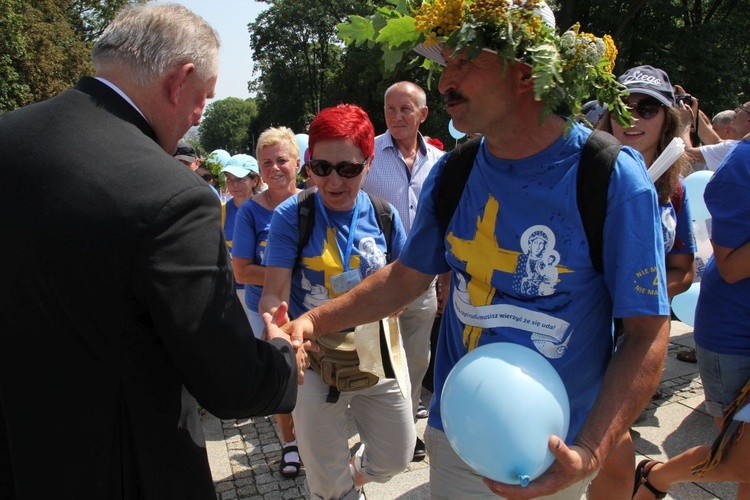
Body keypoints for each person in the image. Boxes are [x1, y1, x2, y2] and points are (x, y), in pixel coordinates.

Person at [275, 2, 671, 498]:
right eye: (445, 66)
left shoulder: (610, 178)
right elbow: (403, 280)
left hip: (555, 447)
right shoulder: (454, 172)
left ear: (526, 74)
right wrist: (313, 321)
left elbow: (646, 332)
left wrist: (591, 450)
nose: (443, 84)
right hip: (456, 435)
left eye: (463, 63)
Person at [0, 4, 297, 499]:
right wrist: (284, 357)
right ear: (179, 81)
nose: (199, 115)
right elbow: (229, 383)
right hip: (122, 469)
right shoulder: (172, 195)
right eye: (203, 98)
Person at [259, 104, 413, 499]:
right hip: (312, 357)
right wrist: (279, 332)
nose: (333, 181)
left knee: (397, 456)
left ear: (368, 162)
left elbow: (404, 283)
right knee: (327, 485)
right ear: (307, 164)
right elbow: (273, 293)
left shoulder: (384, 215)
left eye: (348, 169)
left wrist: (395, 305)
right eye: (320, 167)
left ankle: (351, 476)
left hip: (374, 350)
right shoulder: (293, 217)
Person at [591, 64, 697, 500]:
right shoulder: (583, 177)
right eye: (622, 105)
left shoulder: (674, 190)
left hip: (636, 336)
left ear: (667, 118)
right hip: (582, 330)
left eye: (647, 107)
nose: (632, 115)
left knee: (611, 443)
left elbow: (684, 270)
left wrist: (639, 295)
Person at [632, 131, 750, 499]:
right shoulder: (742, 164)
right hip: (737, 335)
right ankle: (657, 477)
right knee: (743, 459)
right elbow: (730, 266)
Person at [362, 80, 444, 461]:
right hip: (378, 282)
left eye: (405, 109)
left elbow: (447, 225)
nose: (396, 116)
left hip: (423, 283)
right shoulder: (369, 156)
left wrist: (444, 279)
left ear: (423, 114)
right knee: (375, 362)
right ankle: (373, 435)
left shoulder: (441, 164)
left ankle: (406, 433)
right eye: (390, 109)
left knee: (414, 361)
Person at [232, 126, 302, 478]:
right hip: (267, 309)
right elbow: (241, 271)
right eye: (266, 162)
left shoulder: (314, 202)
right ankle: (290, 444)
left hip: (308, 305)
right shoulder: (250, 213)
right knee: (284, 374)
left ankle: (316, 438)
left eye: (281, 160)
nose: (274, 168)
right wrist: (283, 271)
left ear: (298, 163)